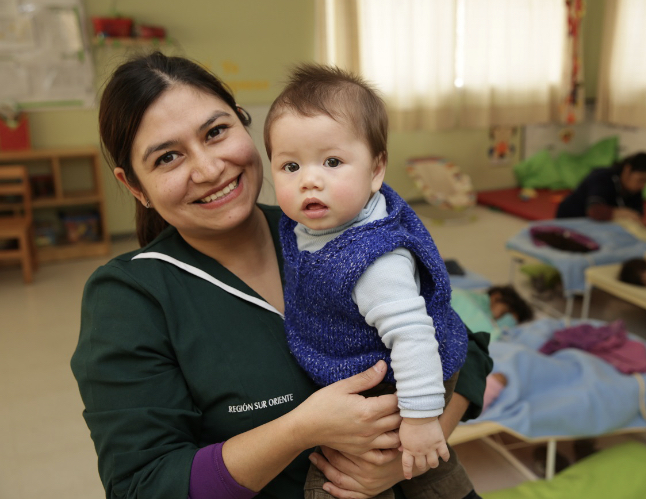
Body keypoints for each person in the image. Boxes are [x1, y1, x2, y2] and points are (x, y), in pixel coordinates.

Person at [70, 52, 492, 499]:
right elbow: (144, 486)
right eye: (168, 157)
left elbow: (462, 346)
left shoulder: (328, 230)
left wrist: (407, 459)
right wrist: (299, 430)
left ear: (244, 124)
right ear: (135, 186)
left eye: (215, 132)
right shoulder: (130, 298)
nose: (209, 169)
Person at [265, 64, 473, 499]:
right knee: (427, 468)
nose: (309, 180)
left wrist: (420, 418)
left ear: (376, 171)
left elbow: (412, 337)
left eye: (332, 162)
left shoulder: (375, 262)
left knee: (343, 477)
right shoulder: (305, 223)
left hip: (405, 376)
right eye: (290, 166)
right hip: (377, 359)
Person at [555, 152, 646, 221]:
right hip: (571, 220)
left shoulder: (635, 190)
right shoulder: (602, 178)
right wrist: (620, 213)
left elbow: (637, 216)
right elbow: (594, 211)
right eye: (641, 180)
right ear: (627, 170)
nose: (643, 186)